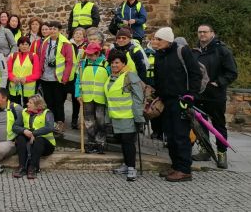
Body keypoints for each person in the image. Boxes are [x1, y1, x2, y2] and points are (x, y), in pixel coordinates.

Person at [152, 27, 202, 182]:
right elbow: (159, 77)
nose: (155, 42)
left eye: (158, 39)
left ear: (167, 40)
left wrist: (190, 95)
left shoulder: (182, 51)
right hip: (166, 100)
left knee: (180, 135)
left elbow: (195, 73)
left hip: (181, 100)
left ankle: (184, 170)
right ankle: (175, 166)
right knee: (170, 136)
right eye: (155, 39)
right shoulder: (159, 54)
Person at [192, 24, 238, 169]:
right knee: (199, 124)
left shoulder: (222, 50)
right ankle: (205, 150)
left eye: (205, 32)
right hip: (199, 95)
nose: (202, 34)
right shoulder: (195, 51)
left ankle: (222, 153)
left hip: (215, 95)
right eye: (200, 32)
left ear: (212, 33)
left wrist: (218, 83)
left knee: (218, 125)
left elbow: (232, 72)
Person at [105, 50, 145, 182]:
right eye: (112, 63)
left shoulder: (130, 76)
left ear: (123, 63)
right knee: (123, 142)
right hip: (116, 116)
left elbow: (138, 98)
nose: (114, 65)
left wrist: (139, 117)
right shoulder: (111, 76)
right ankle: (127, 165)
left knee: (128, 142)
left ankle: (132, 168)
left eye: (117, 62)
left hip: (128, 116)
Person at [38, 21, 76, 135]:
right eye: (50, 28)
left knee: (58, 102)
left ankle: (60, 122)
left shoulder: (66, 43)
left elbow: (69, 62)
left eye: (54, 29)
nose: (52, 31)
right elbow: (41, 58)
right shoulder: (45, 42)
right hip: (45, 77)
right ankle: (51, 122)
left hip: (58, 79)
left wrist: (65, 78)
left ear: (59, 30)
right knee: (49, 101)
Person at [75, 42, 110, 154]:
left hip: (101, 98)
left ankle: (101, 143)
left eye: (91, 54)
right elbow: (78, 80)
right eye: (88, 54)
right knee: (89, 122)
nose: (89, 57)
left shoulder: (106, 64)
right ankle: (91, 142)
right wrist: (77, 94)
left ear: (98, 53)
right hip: (87, 97)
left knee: (101, 122)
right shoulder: (83, 64)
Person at [12, 94, 55, 179]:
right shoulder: (24, 112)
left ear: (38, 105)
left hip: (46, 146)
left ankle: (32, 167)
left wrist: (34, 133)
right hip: (30, 144)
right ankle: (22, 167)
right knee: (20, 137)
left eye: (30, 103)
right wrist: (24, 130)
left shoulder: (47, 113)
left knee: (39, 140)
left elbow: (50, 127)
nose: (27, 104)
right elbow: (15, 126)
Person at [7, 36, 42, 106]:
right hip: (15, 87)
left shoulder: (34, 56)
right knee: (15, 107)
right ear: (18, 45)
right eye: (22, 44)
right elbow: (8, 71)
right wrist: (13, 78)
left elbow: (37, 73)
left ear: (29, 45)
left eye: (26, 44)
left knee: (29, 107)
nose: (24, 46)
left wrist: (26, 79)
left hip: (28, 89)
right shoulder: (12, 56)